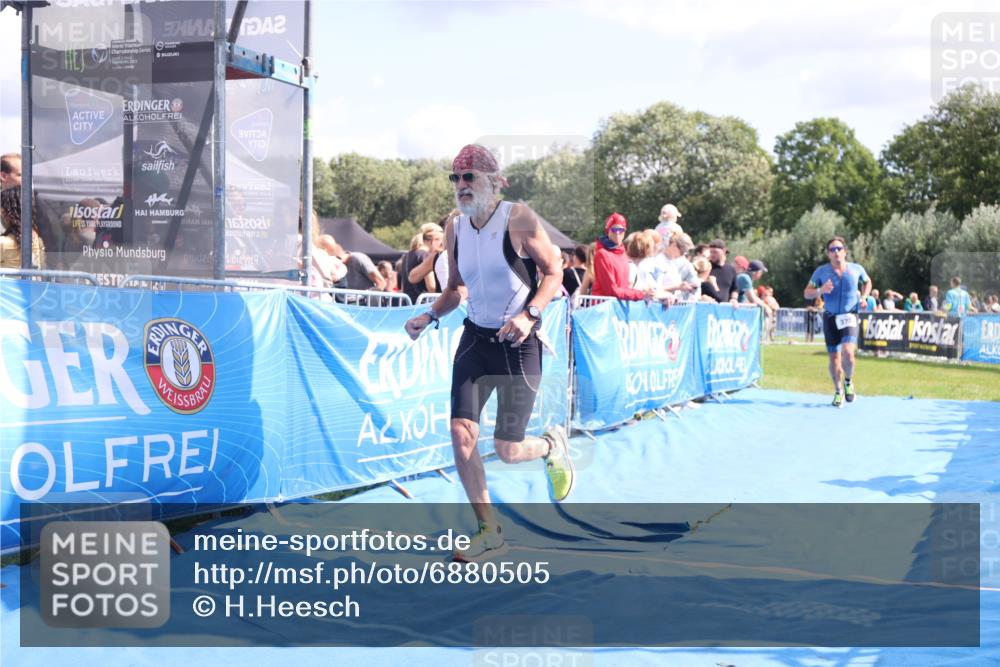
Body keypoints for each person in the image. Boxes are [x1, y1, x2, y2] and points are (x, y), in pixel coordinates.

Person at [403, 144, 573, 563]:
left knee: (507, 449)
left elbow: (555, 271)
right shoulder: (455, 227)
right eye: (455, 177)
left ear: (494, 182)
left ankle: (550, 446)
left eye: (470, 177)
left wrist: (530, 315)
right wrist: (430, 315)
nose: (461, 185)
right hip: (476, 341)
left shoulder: (518, 218)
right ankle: (489, 531)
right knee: (462, 433)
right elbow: (456, 288)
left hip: (519, 344)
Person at [804, 236, 871, 407]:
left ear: (845, 252)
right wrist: (820, 290)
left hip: (850, 316)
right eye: (832, 250)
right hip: (830, 317)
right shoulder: (821, 272)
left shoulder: (856, 269)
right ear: (828, 254)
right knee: (834, 358)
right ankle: (838, 390)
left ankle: (848, 382)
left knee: (848, 353)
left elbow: (867, 282)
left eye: (839, 249)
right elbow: (807, 293)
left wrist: (864, 297)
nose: (836, 252)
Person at [592, 213, 660, 301]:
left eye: (620, 230)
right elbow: (612, 290)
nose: (617, 233)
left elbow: (625, 287)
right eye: (614, 229)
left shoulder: (623, 253)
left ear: (624, 231)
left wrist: (646, 292)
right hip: (604, 306)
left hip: (619, 305)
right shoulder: (602, 254)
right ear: (608, 230)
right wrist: (641, 295)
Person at [0, 186, 44, 268]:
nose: (1, 214)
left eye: (2, 211)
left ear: (8, 213)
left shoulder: (3, 243)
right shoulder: (39, 239)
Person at [708, 239, 739, 303]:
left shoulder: (731, 269)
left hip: (724, 306)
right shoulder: (706, 267)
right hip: (708, 305)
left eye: (715, 252)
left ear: (724, 251)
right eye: (711, 252)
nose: (712, 255)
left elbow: (735, 289)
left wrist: (734, 299)